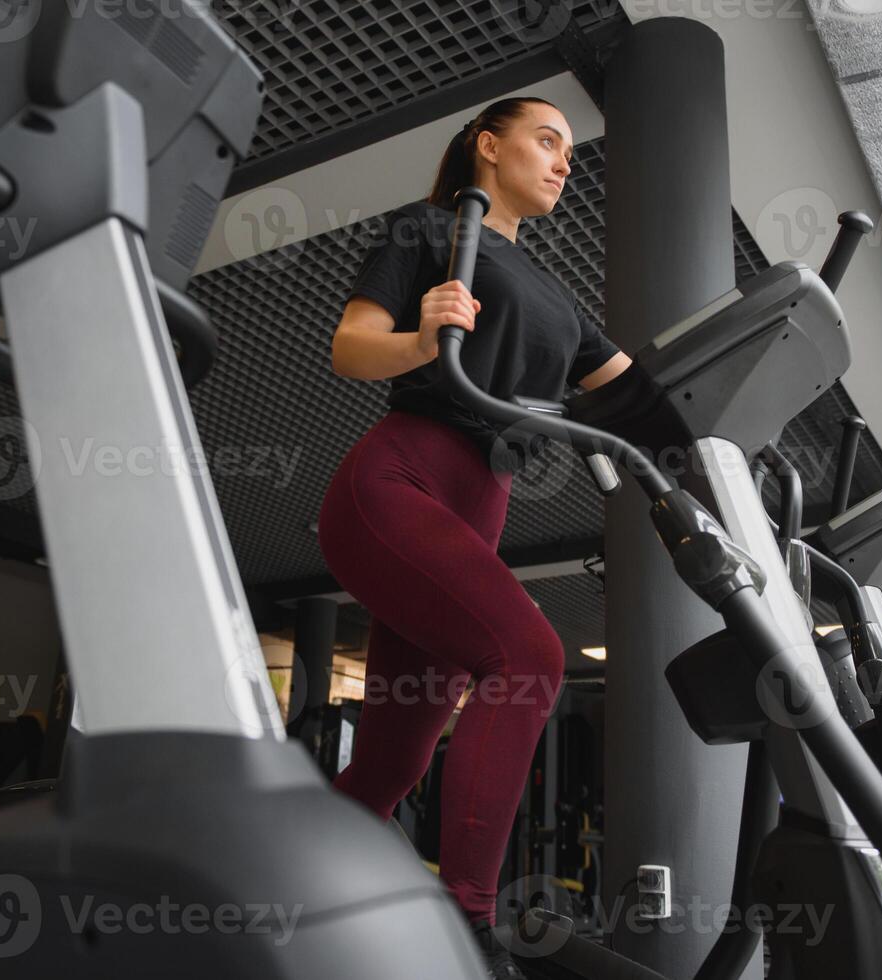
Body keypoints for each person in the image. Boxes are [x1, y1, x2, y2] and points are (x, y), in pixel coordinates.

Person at [317, 97, 631, 979]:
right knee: (528, 655)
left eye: (570, 150)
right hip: (399, 484)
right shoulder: (429, 232)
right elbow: (351, 348)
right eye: (547, 140)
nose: (565, 161)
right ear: (488, 149)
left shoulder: (561, 305)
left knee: (392, 760)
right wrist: (423, 338)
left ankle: (288, 909)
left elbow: (640, 399)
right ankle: (468, 929)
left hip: (474, 510)